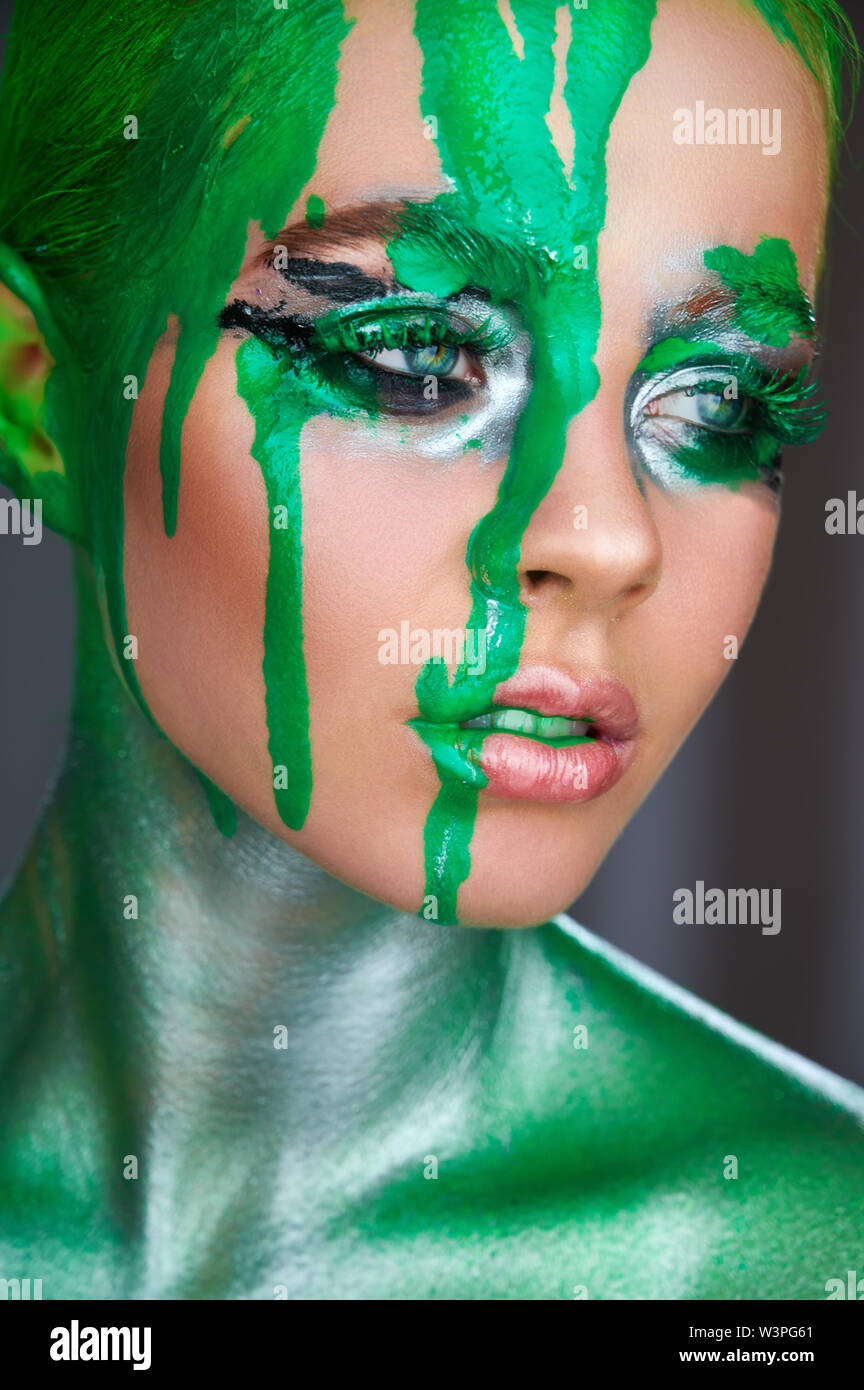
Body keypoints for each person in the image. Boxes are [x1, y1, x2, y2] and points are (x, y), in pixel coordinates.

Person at [0, 0, 861, 1300]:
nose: (608, 537)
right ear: (39, 393)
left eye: (717, 403)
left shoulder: (800, 1262)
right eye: (414, 358)